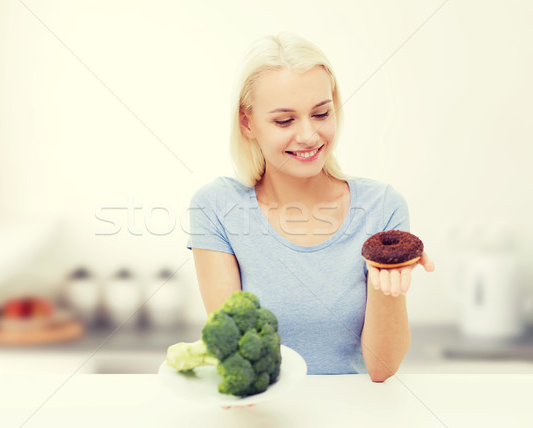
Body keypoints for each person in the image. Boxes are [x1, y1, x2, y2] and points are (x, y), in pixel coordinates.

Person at [186, 32, 435, 381]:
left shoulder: (382, 207)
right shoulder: (216, 208)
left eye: (320, 113)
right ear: (247, 123)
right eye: (284, 121)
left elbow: (381, 368)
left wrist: (388, 281)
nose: (308, 135)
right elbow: (237, 354)